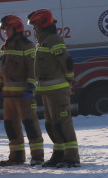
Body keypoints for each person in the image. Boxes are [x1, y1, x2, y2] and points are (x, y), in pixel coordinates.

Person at [28, 9, 80, 167]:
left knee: (63, 123)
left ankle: (72, 158)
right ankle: (59, 154)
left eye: (35, 26)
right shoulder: (43, 41)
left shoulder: (53, 40)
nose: (33, 29)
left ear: (43, 25)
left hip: (58, 91)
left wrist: (70, 78)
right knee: (52, 125)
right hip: (47, 92)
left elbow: (67, 62)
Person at [0, 15, 44, 166]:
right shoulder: (5, 47)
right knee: (11, 127)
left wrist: (30, 87)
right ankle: (16, 157)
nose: (6, 32)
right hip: (8, 96)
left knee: (30, 125)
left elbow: (32, 69)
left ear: (16, 28)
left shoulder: (27, 46)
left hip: (24, 96)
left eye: (8, 29)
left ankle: (37, 156)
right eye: (4, 30)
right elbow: (2, 71)